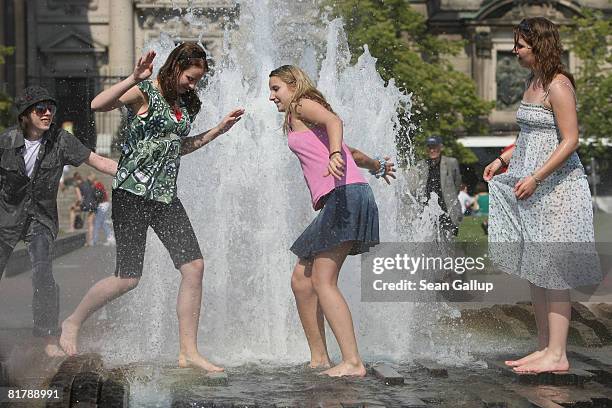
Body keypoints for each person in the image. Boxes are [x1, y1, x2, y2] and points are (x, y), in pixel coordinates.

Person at [59, 42, 244, 372]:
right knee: (127, 279)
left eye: (198, 80)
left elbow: (178, 147)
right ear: (175, 68)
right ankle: (72, 322)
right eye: (190, 77)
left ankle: (188, 351)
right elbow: (98, 104)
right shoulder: (145, 92)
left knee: (194, 267)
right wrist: (133, 77)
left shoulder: (182, 105)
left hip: (165, 196)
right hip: (132, 193)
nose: (193, 85)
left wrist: (217, 131)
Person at [484, 17, 602, 373]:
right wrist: (504, 158)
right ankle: (543, 347)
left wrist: (536, 176)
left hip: (559, 189)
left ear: (540, 45)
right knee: (536, 269)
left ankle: (559, 354)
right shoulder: (532, 81)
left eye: (520, 44)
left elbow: (570, 139)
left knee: (553, 271)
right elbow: (532, 135)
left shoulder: (558, 85)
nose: (515, 50)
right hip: (532, 185)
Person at [269, 65, 395, 377]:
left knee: (323, 281)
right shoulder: (294, 117)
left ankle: (352, 362)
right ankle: (320, 358)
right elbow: (350, 150)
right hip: (346, 196)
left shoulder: (301, 102)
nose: (271, 96)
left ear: (292, 85)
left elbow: (334, 122)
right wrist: (376, 165)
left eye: (275, 89)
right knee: (301, 279)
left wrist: (335, 154)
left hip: (345, 196)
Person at [0, 85, 118, 356]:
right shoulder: (6, 142)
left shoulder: (61, 141)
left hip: (40, 219)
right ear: (26, 115)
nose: (47, 114)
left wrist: (132, 174)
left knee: (43, 274)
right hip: (5, 217)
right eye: (40, 109)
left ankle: (48, 337)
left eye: (50, 108)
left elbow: (97, 160)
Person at [410, 136, 462, 238]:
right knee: (429, 240)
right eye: (429, 147)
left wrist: (451, 198)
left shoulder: (451, 163)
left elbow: (457, 184)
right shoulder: (421, 165)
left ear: (441, 147)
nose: (432, 150)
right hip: (428, 209)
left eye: (435, 147)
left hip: (447, 209)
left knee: (448, 242)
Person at [88, 173, 115, 246]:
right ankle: (110, 238)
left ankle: (94, 241)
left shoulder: (97, 185)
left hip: (102, 205)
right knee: (103, 223)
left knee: (97, 223)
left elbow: (99, 196)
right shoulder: (99, 184)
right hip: (104, 204)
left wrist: (95, 202)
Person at [74, 172, 97, 246]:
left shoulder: (79, 186)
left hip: (85, 205)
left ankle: (72, 227)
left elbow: (80, 199)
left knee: (73, 210)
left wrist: (77, 205)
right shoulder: (91, 185)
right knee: (90, 224)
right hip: (93, 205)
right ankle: (90, 241)